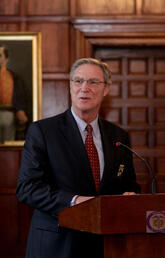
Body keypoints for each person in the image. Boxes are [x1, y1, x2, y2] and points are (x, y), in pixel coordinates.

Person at [16, 58, 140, 258]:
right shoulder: (43, 132)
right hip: (58, 244)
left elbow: (129, 184)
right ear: (70, 86)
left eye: (93, 82)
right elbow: (27, 188)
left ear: (106, 89)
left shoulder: (119, 136)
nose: (84, 88)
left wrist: (129, 197)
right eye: (78, 81)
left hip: (106, 245)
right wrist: (75, 201)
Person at [0, 44, 28, 143]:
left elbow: (19, 97)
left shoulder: (14, 77)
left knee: (8, 146)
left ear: (6, 59)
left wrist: (20, 110)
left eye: (0, 55)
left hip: (8, 115)